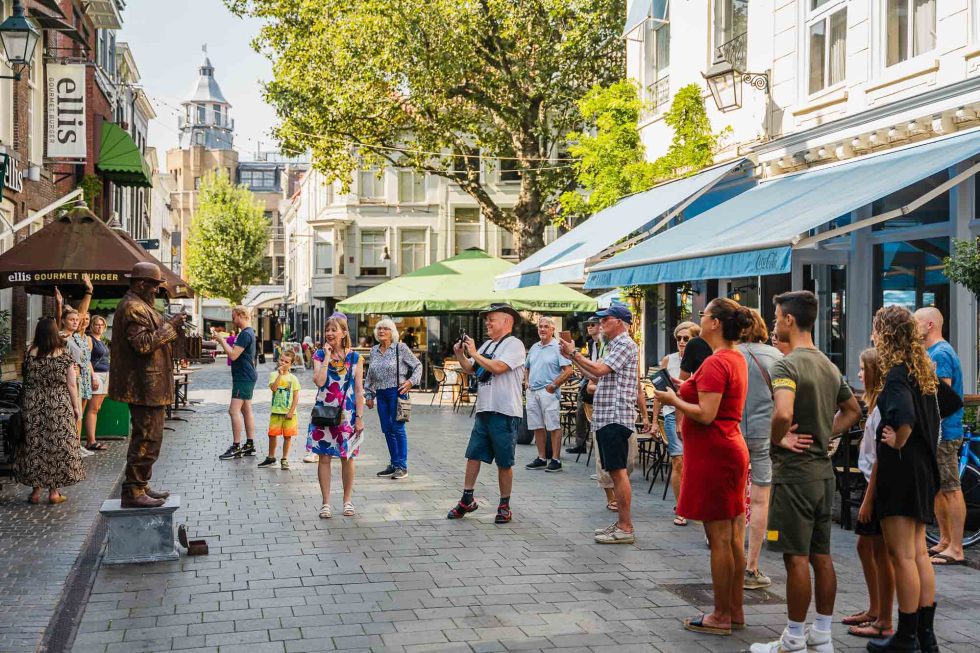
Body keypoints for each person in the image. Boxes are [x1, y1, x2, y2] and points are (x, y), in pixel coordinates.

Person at [751, 290, 861, 653]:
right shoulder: (828, 364)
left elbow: (782, 414)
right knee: (821, 555)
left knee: (795, 556)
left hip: (795, 474)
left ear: (788, 320)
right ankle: (822, 633)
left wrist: (778, 441)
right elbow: (853, 410)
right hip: (823, 474)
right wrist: (826, 432)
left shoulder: (787, 365)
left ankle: (794, 637)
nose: (774, 321)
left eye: (776, 314)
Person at [654, 298, 752, 636]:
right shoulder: (734, 358)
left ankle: (721, 615)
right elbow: (713, 399)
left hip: (715, 453)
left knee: (720, 539)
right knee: (733, 537)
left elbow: (707, 414)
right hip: (728, 450)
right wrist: (682, 387)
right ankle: (734, 610)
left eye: (704, 314)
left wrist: (672, 399)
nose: (701, 318)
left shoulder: (715, 362)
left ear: (716, 323)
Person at [866, 305, 941, 653]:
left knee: (903, 556)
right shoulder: (922, 369)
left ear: (886, 334)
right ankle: (926, 634)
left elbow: (905, 416)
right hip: (924, 469)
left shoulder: (897, 373)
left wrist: (899, 437)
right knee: (918, 553)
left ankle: (907, 637)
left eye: (875, 329)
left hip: (901, 469)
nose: (872, 336)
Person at [560, 302, 649, 544]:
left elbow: (598, 370)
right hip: (608, 415)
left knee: (618, 473)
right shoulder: (613, 345)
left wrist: (575, 355)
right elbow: (594, 374)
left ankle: (626, 527)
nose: (600, 323)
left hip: (615, 416)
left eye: (605, 319)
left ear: (619, 321)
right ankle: (621, 523)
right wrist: (573, 358)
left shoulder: (624, 344)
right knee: (614, 471)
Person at [110, 262, 187, 508]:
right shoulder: (133, 307)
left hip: (151, 385)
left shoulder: (142, 306)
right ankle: (133, 490)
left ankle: (141, 484)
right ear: (141, 284)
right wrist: (170, 327)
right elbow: (143, 345)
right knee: (146, 437)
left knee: (151, 437)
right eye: (153, 286)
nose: (156, 291)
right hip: (144, 385)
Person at [446, 303, 527, 524]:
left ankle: (504, 505)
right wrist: (461, 354)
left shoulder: (515, 345)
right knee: (473, 455)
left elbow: (498, 367)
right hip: (484, 409)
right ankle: (467, 499)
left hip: (505, 410)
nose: (487, 322)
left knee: (504, 461)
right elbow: (471, 369)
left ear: (507, 321)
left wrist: (473, 352)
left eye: (492, 318)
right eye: (487, 319)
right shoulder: (488, 344)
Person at [846, 348, 895, 640]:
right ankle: (875, 609)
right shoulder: (874, 404)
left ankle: (883, 618)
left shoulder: (881, 407)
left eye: (864, 369)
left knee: (879, 551)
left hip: (875, 487)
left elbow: (879, 457)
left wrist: (868, 498)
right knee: (866, 548)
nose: (860, 374)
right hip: (870, 482)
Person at [914, 307, 966, 567]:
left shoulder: (941, 353)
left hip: (945, 431)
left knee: (950, 488)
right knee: (939, 488)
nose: (914, 327)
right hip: (938, 431)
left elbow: (941, 396)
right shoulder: (931, 352)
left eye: (917, 322)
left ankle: (956, 547)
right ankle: (945, 541)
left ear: (931, 325)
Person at [16, 317, 84, 505]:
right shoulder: (64, 355)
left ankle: (36, 492)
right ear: (55, 332)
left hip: (32, 402)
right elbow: (71, 384)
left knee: (34, 443)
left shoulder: (29, 352)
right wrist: (76, 407)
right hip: (58, 403)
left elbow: (26, 377)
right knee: (56, 444)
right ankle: (54, 492)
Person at [737, 310, 783, 590]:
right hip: (764, 434)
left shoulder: (727, 356)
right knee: (760, 498)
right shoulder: (775, 357)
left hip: (732, 434)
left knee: (734, 495)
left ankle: (730, 557)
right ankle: (751, 565)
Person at [310, 315, 365, 518]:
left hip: (347, 414)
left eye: (334, 330)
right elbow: (319, 381)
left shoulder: (355, 358)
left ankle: (347, 500)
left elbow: (359, 390)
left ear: (343, 333)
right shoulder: (318, 355)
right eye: (327, 330)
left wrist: (359, 417)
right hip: (324, 412)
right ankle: (326, 503)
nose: (330, 333)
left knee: (347, 457)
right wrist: (326, 357)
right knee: (324, 457)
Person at [650, 320, 700, 526]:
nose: (681, 341)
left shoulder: (702, 359)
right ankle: (681, 507)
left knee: (694, 463)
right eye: (678, 338)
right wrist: (653, 421)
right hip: (672, 414)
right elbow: (658, 393)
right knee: (678, 461)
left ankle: (694, 504)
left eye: (686, 338)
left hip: (695, 415)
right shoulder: (668, 360)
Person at [365, 318, 422, 480]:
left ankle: (402, 466)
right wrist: (369, 394)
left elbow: (418, 365)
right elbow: (370, 374)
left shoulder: (400, 348)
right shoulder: (374, 350)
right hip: (381, 395)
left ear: (393, 332)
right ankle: (394, 464)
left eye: (386, 328)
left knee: (397, 429)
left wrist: (411, 382)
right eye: (379, 329)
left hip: (397, 392)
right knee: (387, 430)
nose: (381, 331)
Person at [525, 316, 574, 473]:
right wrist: (526, 382)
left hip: (548, 391)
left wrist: (553, 386)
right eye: (540, 326)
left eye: (546, 326)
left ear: (552, 330)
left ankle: (556, 459)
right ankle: (541, 458)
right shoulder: (534, 347)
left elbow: (569, 370)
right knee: (537, 426)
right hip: (532, 391)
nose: (543, 329)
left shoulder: (558, 347)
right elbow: (526, 367)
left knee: (553, 426)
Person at [212, 307, 258, 460]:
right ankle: (250, 444)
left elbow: (233, 355)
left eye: (233, 317)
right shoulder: (247, 333)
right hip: (246, 375)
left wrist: (221, 340)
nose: (232, 320)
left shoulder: (245, 334)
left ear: (241, 315)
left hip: (243, 376)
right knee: (246, 410)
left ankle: (236, 446)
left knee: (233, 411)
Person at [257, 349, 301, 470]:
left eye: (286, 361)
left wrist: (291, 411)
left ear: (290, 364)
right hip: (276, 412)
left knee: (287, 436)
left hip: (289, 413)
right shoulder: (273, 375)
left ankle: (284, 458)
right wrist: (280, 375)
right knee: (272, 435)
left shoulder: (294, 379)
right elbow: (274, 389)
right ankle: (271, 457)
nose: (283, 362)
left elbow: (296, 397)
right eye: (281, 360)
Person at [567, 318, 601, 455]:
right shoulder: (591, 343)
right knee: (580, 410)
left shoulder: (604, 343)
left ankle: (589, 444)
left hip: (598, 380)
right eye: (588, 325)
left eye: (593, 325)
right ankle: (581, 444)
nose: (589, 327)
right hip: (589, 380)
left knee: (588, 412)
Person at [84, 315, 111, 452]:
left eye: (101, 325)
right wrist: (93, 376)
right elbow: (87, 359)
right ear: (91, 326)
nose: (99, 327)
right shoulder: (90, 339)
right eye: (96, 324)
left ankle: (92, 439)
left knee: (97, 408)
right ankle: (91, 441)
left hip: (105, 375)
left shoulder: (102, 340)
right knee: (93, 409)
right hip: (97, 375)